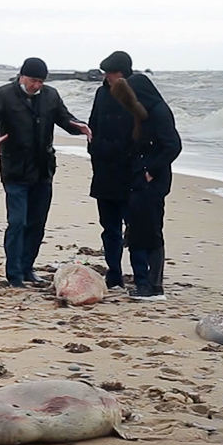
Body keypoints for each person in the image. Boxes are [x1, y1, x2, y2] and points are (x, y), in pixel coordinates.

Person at [0, 57, 92, 288]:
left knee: (37, 223)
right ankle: (14, 275)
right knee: (18, 222)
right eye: (33, 81)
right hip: (15, 170)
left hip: (43, 170)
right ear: (22, 77)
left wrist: (79, 126)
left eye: (41, 81)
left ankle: (27, 268)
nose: (37, 86)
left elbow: (64, 118)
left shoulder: (51, 95)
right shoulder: (4, 94)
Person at [102, 55, 181, 301]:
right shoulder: (142, 112)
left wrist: (150, 170)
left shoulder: (159, 112)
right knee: (137, 230)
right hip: (139, 179)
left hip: (153, 181)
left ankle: (154, 287)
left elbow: (173, 146)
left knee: (151, 231)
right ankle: (145, 284)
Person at [87, 51, 147, 290]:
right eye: (106, 73)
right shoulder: (101, 92)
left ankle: (142, 278)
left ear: (123, 72)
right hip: (103, 172)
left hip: (130, 173)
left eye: (111, 72)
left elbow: (147, 127)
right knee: (109, 228)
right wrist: (95, 153)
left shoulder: (138, 92)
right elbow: (93, 126)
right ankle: (114, 274)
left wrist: (142, 165)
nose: (107, 77)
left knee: (136, 229)